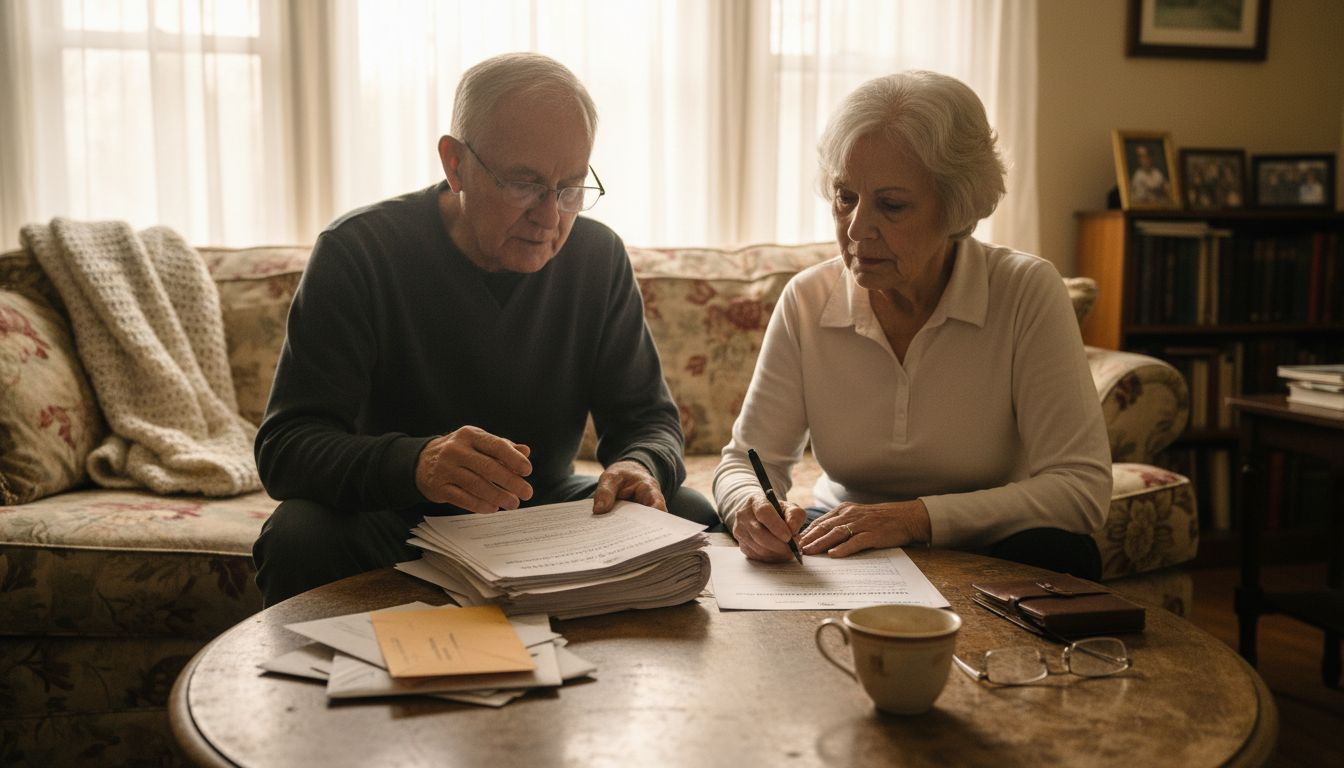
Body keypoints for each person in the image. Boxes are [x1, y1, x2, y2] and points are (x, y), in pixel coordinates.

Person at [253, 53, 716, 606]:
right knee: (299, 534)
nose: (550, 217)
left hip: (540, 517)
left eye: (570, 188)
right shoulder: (358, 252)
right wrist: (417, 464)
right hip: (392, 517)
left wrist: (638, 465)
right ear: (455, 164)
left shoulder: (598, 258)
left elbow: (647, 420)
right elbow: (286, 447)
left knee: (685, 512)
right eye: (524, 184)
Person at [712, 71, 1112, 579]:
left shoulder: (1025, 290)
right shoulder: (808, 299)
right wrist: (750, 507)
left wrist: (914, 518)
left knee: (1063, 552)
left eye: (891, 205)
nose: (857, 229)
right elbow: (746, 461)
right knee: (711, 528)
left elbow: (1082, 489)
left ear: (957, 205)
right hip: (844, 539)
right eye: (845, 197)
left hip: (985, 543)